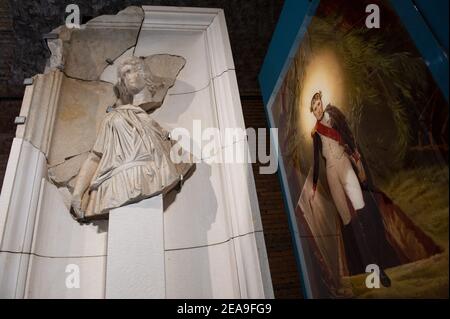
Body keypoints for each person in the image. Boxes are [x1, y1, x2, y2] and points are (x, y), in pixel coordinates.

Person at [70, 56, 193, 221]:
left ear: (142, 72)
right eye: (123, 76)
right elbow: (95, 157)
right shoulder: (114, 117)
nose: (126, 78)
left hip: (154, 176)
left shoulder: (155, 126)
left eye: (129, 71)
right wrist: (78, 193)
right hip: (120, 183)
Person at [309, 91, 398, 287]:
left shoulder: (334, 115)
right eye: (314, 108)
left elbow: (348, 136)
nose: (317, 109)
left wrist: (358, 164)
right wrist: (313, 187)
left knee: (362, 211)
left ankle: (378, 267)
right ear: (312, 111)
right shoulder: (315, 133)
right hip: (332, 172)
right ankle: (367, 268)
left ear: (322, 103)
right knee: (348, 222)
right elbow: (317, 161)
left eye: (318, 104)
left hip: (345, 164)